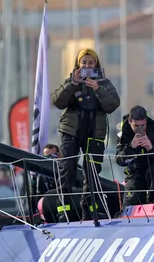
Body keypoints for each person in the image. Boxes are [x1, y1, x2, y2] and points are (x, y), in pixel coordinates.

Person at [51, 48, 120, 220]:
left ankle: (88, 208)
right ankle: (64, 209)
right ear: (78, 65)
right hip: (71, 131)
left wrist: (98, 88)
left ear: (96, 64)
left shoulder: (104, 83)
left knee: (92, 172)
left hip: (94, 132)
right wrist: (72, 84)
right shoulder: (71, 80)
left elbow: (113, 105)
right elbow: (57, 101)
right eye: (84, 63)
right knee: (67, 169)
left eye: (91, 63)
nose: (87, 66)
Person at [116, 106, 154, 207]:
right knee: (130, 204)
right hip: (134, 173)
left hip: (153, 173)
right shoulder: (123, 135)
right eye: (136, 126)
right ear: (129, 121)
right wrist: (131, 148)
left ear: (146, 121)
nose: (140, 129)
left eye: (143, 125)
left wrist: (151, 147)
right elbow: (119, 161)